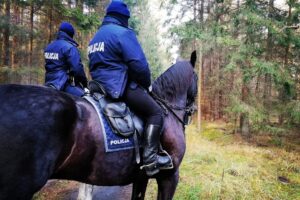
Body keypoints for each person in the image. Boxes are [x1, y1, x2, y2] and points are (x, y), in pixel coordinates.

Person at [88, 1, 172, 176]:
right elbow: (139, 65)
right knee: (155, 112)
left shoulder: (96, 37)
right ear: (123, 17)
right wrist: (147, 84)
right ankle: (150, 159)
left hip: (98, 88)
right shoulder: (123, 33)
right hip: (117, 86)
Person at [44, 22, 88, 97]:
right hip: (63, 85)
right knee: (85, 99)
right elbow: (77, 69)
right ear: (70, 34)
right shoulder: (69, 47)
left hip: (48, 84)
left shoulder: (49, 47)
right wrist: (85, 84)